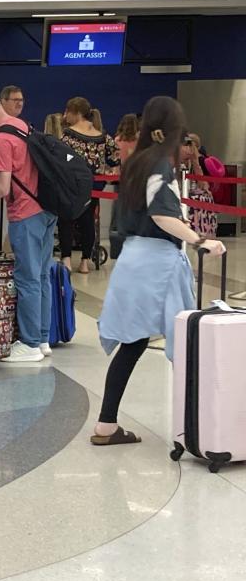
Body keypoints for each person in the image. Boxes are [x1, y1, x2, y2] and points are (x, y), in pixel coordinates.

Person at [92, 96, 225, 446]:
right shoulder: (160, 167)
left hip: (133, 261)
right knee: (184, 343)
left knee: (133, 343)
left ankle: (106, 424)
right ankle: (202, 428)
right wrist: (200, 240)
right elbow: (162, 215)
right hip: (157, 265)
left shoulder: (135, 162)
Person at [0, 91, 54, 363]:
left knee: (27, 278)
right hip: (46, 209)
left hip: (25, 214)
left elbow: (1, 186)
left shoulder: (1, 139)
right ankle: (42, 338)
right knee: (41, 277)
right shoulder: (23, 127)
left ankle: (29, 344)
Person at [59, 97, 120, 274]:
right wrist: (105, 167)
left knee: (67, 220)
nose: (65, 116)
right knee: (88, 221)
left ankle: (67, 259)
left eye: (68, 111)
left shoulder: (68, 135)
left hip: (73, 183)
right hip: (95, 184)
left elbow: (63, 157)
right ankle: (85, 261)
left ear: (76, 113)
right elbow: (115, 156)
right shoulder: (102, 136)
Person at [181, 132, 218, 238]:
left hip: (191, 193)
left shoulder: (197, 160)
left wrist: (195, 160)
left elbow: (202, 183)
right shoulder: (173, 159)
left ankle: (204, 232)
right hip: (181, 194)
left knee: (205, 198)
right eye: (185, 145)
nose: (188, 149)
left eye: (191, 145)